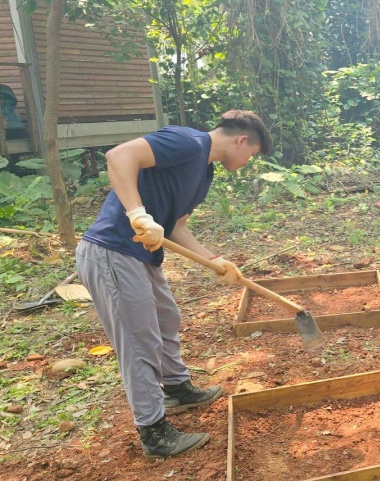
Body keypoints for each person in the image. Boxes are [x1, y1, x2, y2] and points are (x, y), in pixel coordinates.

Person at [75, 110, 272, 459]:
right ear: (241, 141)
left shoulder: (203, 173)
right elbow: (119, 156)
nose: (247, 162)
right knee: (139, 341)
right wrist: (137, 213)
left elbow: (177, 226)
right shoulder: (187, 142)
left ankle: (177, 388)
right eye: (251, 155)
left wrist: (214, 260)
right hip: (113, 250)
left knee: (167, 319)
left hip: (142, 255)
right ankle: (154, 432)